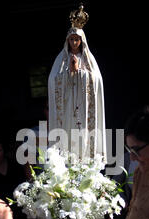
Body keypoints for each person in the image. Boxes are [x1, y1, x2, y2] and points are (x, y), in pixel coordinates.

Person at [48, 4, 106, 160]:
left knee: (83, 138)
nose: (74, 43)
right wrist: (68, 73)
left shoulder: (88, 59)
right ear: (67, 40)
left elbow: (97, 80)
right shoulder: (61, 59)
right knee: (67, 139)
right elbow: (53, 80)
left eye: (77, 40)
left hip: (84, 108)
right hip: (67, 108)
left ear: (82, 41)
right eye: (72, 39)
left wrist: (80, 73)